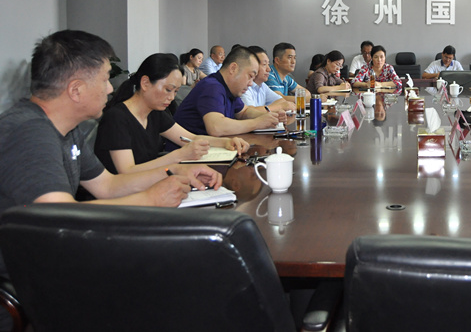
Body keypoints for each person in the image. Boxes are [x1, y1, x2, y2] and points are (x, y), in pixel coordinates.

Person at [0, 31, 222, 279]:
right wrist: (150, 198)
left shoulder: (67, 130)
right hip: (28, 275)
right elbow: (59, 219)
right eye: (105, 79)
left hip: (57, 259)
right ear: (76, 89)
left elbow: (107, 185)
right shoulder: (29, 132)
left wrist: (174, 170)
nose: (109, 88)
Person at [94, 53, 249, 174]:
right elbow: (127, 172)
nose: (172, 97)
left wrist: (226, 142)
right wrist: (178, 156)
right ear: (145, 83)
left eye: (176, 91)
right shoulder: (117, 118)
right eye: (168, 89)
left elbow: (189, 138)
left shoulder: (155, 112)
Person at [172, 45, 283, 138]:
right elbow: (216, 127)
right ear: (233, 68)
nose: (250, 83)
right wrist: (257, 123)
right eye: (250, 76)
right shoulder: (212, 86)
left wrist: (270, 117)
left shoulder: (229, 89)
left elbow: (244, 112)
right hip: (187, 153)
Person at [241, 46, 295, 112]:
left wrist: (277, 107)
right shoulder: (243, 87)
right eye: (264, 64)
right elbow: (249, 112)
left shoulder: (262, 86)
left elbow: (281, 101)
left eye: (268, 64)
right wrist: (280, 107)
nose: (268, 69)